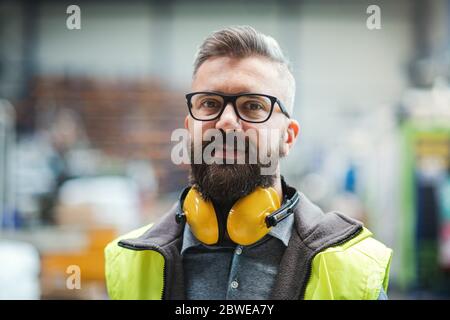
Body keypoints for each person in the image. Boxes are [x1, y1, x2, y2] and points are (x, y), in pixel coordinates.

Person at [105, 25, 392, 300]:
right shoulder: (132, 261)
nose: (227, 122)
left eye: (253, 106)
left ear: (288, 137)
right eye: (209, 104)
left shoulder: (350, 271)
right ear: (188, 125)